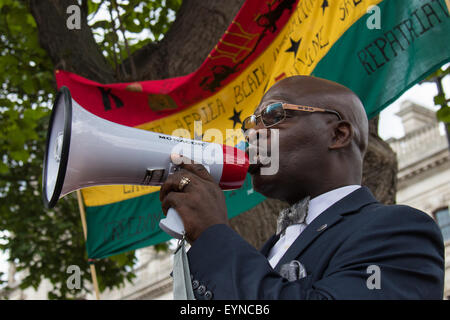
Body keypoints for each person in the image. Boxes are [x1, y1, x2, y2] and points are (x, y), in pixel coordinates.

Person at [159, 75, 445, 300]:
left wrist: (213, 236)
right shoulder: (268, 250)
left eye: (273, 116)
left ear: (338, 134)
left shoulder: (400, 230)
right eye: (250, 125)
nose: (251, 134)